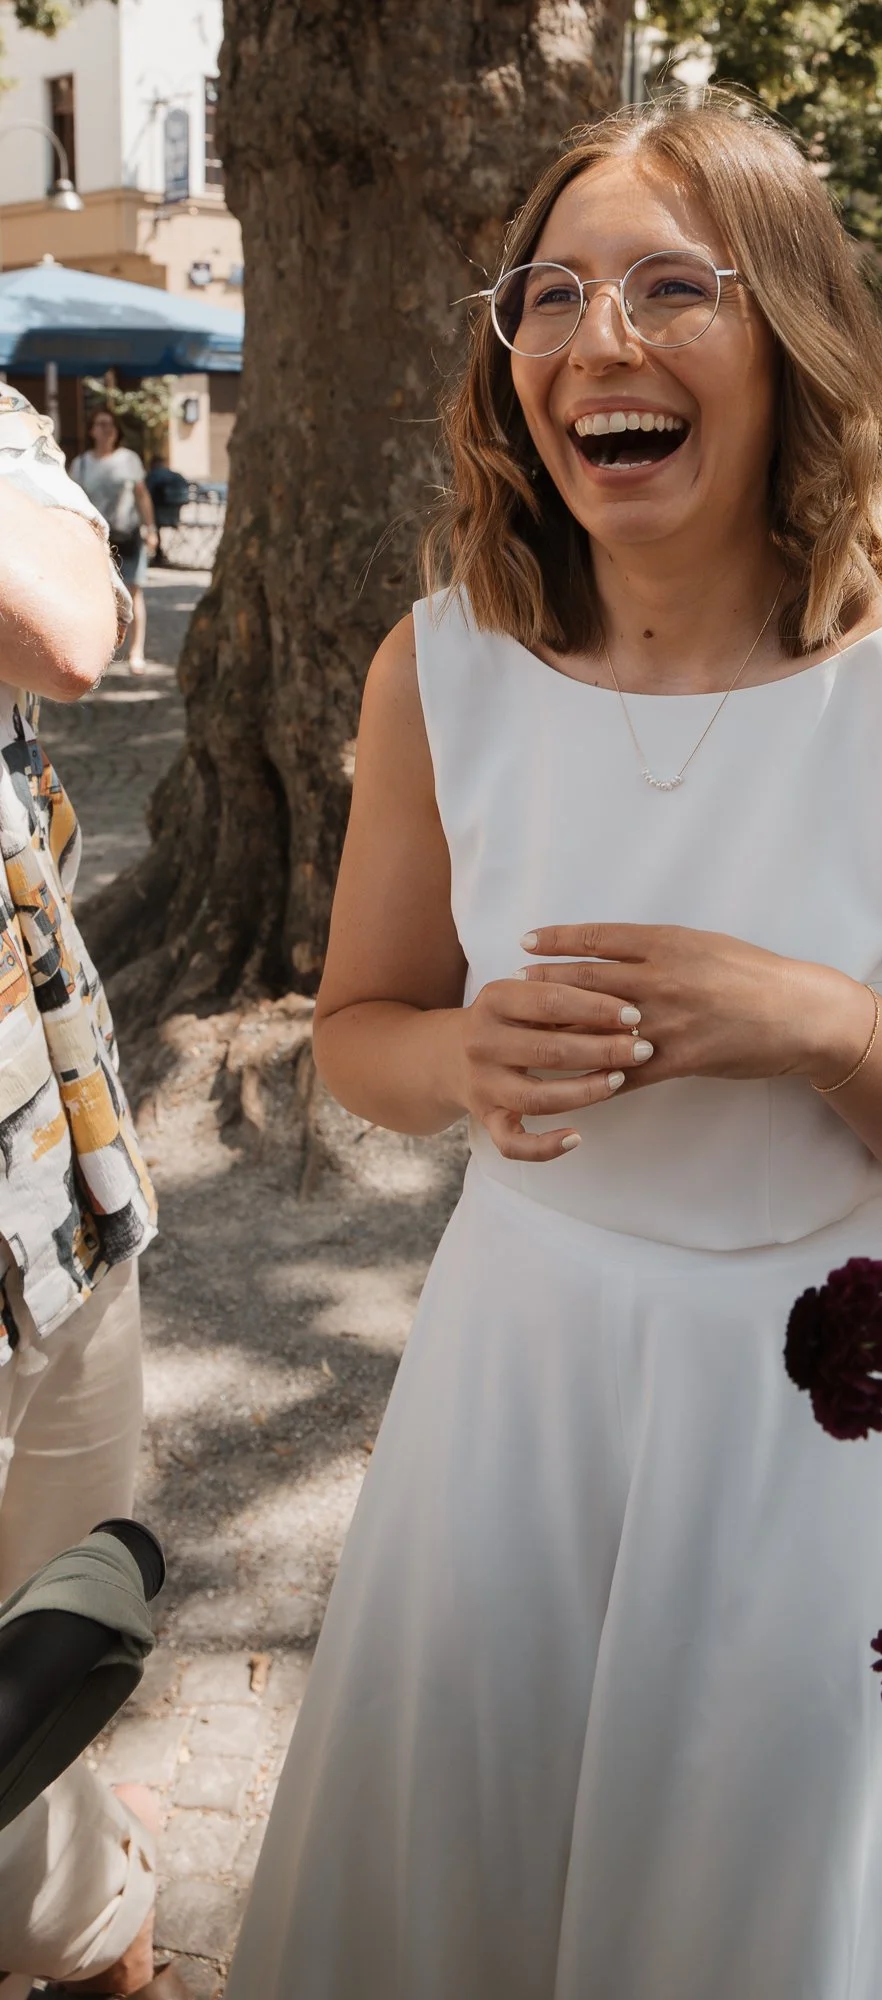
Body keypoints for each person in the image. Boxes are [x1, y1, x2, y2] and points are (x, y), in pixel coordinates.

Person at [227, 95, 882, 1999]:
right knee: (464, 1867)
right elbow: (358, 1032)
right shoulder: (438, 666)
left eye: (667, 288)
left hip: (816, 1411)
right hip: (509, 1377)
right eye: (548, 295)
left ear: (788, 336)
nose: (594, 340)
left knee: (750, 1911)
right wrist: (458, 1062)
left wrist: (822, 1024)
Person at [0, 389, 170, 1996]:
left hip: (44, 1172)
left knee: (54, 1618)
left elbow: (65, 629)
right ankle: (99, 1936)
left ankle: (91, 1923)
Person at [69, 413, 157, 674]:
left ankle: (136, 651)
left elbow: (142, 495)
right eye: (99, 424)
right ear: (91, 430)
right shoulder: (81, 464)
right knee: (95, 596)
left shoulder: (129, 459)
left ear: (117, 431)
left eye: (110, 425)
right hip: (95, 541)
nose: (105, 429)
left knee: (133, 592)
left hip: (128, 535)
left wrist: (151, 528)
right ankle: (96, 653)